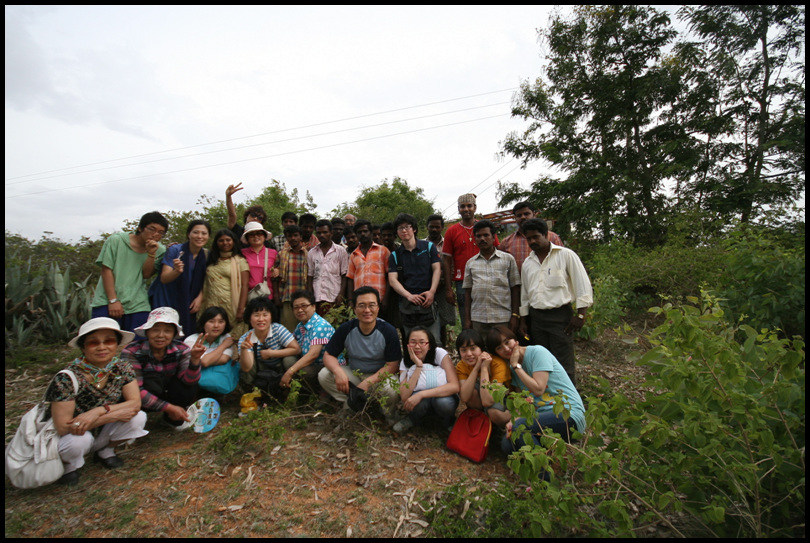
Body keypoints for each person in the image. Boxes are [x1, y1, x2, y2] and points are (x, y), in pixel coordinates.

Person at [46, 317, 148, 486]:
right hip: (71, 436)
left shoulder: (122, 368)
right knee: (79, 441)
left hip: (98, 427)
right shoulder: (67, 378)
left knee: (138, 417)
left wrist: (99, 412)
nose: (102, 347)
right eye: (94, 343)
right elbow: (64, 427)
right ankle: (69, 465)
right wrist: (110, 416)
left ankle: (105, 450)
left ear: (117, 344)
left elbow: (134, 403)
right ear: (83, 347)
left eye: (108, 341)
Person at [486, 326, 586, 454]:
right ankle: (546, 454)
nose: (506, 349)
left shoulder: (537, 352)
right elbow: (522, 402)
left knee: (519, 429)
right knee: (507, 445)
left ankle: (544, 473)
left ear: (515, 340)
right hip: (541, 418)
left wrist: (517, 366)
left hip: (567, 413)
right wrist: (514, 421)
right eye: (499, 348)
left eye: (507, 342)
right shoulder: (513, 369)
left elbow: (538, 389)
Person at [518, 218, 592, 385]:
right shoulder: (528, 263)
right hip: (537, 319)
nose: (532, 241)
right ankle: (549, 398)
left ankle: (569, 402)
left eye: (536, 237)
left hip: (560, 317)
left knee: (563, 360)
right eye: (528, 239)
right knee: (542, 360)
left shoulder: (566, 255)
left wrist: (581, 315)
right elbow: (525, 294)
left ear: (546, 235)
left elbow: (582, 285)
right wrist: (523, 320)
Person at [318, 286, 402, 423]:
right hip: (355, 374)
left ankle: (388, 413)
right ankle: (351, 403)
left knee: (392, 388)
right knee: (324, 374)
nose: (367, 310)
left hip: (378, 378)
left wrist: (368, 382)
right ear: (355, 309)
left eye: (371, 305)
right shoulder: (347, 328)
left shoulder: (388, 331)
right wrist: (338, 371)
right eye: (362, 306)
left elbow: (392, 365)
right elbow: (328, 355)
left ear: (378, 308)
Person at [121, 307, 206, 428]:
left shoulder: (182, 350)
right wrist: (168, 407)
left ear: (173, 334)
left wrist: (195, 360)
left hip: (169, 391)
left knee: (188, 387)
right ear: (147, 332)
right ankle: (137, 420)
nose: (161, 335)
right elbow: (135, 390)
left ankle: (172, 418)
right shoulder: (132, 352)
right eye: (155, 330)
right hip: (145, 394)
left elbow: (190, 381)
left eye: (167, 331)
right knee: (149, 383)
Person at [90, 211, 169, 332]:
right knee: (104, 339)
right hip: (107, 300)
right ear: (140, 228)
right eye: (151, 229)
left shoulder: (159, 250)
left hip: (137, 304)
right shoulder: (116, 240)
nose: (155, 235)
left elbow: (146, 275)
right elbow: (106, 270)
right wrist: (113, 300)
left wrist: (151, 254)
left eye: (160, 233)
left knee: (136, 345)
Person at [148, 219, 211, 337]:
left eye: (204, 233)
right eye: (196, 232)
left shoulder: (206, 255)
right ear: (189, 234)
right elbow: (164, 278)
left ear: (208, 236)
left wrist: (200, 298)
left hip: (190, 299)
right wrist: (177, 271)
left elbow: (206, 280)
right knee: (164, 330)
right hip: (167, 297)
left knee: (186, 333)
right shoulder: (176, 250)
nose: (200, 236)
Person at [442, 194, 498, 323]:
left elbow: (497, 251)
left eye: (469, 206)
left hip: (487, 277)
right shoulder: (451, 231)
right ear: (458, 209)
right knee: (466, 318)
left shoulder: (486, 228)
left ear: (475, 208)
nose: (466, 209)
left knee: (489, 315)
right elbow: (446, 260)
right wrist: (448, 289)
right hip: (462, 282)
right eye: (462, 206)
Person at [387, 213, 442, 344]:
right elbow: (393, 280)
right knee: (412, 344)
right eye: (400, 228)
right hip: (407, 304)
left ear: (414, 229)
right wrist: (408, 296)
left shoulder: (428, 247)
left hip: (428, 301)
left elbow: (437, 269)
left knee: (434, 341)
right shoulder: (395, 255)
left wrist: (432, 292)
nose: (404, 230)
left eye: (407, 227)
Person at [394, 326, 460, 434]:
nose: (417, 346)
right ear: (407, 344)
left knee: (444, 404)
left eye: (422, 342)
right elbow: (404, 395)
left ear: (429, 345)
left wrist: (422, 394)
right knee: (417, 403)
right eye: (413, 342)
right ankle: (414, 420)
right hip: (422, 400)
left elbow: (454, 386)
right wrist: (418, 366)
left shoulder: (439, 353)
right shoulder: (405, 361)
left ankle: (447, 422)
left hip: (442, 396)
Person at [462, 220, 521, 338]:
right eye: (478, 236)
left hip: (502, 317)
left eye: (486, 235)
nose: (482, 239)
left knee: (504, 351)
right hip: (478, 319)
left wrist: (515, 316)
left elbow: (515, 289)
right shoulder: (470, 263)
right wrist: (467, 319)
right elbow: (468, 293)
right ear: (475, 239)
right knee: (481, 353)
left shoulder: (508, 259)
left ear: (493, 237)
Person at [237, 296, 302, 401]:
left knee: (290, 360)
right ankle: (253, 393)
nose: (261, 319)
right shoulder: (245, 339)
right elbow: (247, 368)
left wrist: (272, 353)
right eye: (256, 315)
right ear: (249, 318)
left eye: (265, 315)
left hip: (279, 367)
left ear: (271, 317)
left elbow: (296, 349)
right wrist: (244, 350)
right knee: (244, 362)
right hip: (260, 371)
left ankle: (288, 391)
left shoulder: (278, 329)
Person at [454, 329, 511, 426]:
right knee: (470, 392)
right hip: (483, 399)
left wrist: (484, 367)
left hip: (502, 398)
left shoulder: (497, 363)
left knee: (495, 414)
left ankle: (509, 420)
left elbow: (487, 401)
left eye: (473, 348)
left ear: (481, 349)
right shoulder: (461, 366)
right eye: (463, 350)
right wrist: (476, 368)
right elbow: (464, 397)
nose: (468, 354)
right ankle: (483, 420)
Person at [200, 229, 250, 339]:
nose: (225, 243)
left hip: (232, 304)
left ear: (234, 241)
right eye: (221, 240)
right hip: (211, 302)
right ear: (216, 243)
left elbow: (245, 285)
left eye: (228, 240)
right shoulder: (210, 259)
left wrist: (241, 309)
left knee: (232, 338)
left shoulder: (240, 261)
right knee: (212, 334)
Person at [287, 289, 338, 394]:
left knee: (304, 371)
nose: (300, 310)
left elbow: (313, 355)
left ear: (314, 307)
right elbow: (291, 344)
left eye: (304, 306)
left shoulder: (320, 325)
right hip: (313, 365)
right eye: (296, 307)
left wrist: (289, 372)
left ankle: (321, 394)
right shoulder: (301, 325)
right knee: (288, 359)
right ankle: (304, 394)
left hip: (327, 367)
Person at [183, 306, 237, 397]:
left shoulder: (226, 337)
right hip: (192, 380)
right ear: (203, 323)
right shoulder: (192, 340)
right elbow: (204, 362)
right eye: (211, 321)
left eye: (221, 321)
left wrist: (207, 359)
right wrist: (223, 346)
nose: (216, 325)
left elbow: (224, 359)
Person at [499, 201, 564, 274]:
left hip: (549, 283)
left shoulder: (552, 237)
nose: (523, 217)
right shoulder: (506, 242)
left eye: (526, 214)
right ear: (515, 218)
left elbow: (562, 260)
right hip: (521, 284)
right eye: (519, 215)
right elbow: (501, 267)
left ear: (534, 214)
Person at [347, 219, 391, 313]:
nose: (362, 234)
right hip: (360, 301)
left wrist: (386, 299)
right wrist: (351, 300)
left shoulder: (383, 251)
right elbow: (350, 279)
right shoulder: (353, 255)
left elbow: (389, 276)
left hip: (379, 300)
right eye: (359, 232)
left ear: (371, 233)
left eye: (365, 231)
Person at [425, 214, 456, 346]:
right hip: (426, 288)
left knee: (443, 321)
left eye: (437, 227)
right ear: (427, 227)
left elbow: (452, 264)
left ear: (442, 227)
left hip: (444, 287)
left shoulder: (448, 244)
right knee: (428, 319)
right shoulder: (421, 244)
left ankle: (442, 350)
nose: (434, 229)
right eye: (431, 227)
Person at [307, 219, 349, 316]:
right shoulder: (312, 252)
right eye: (319, 233)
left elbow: (344, 275)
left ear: (331, 233)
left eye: (325, 232)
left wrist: (341, 295)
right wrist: (310, 297)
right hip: (317, 298)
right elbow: (310, 276)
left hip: (334, 298)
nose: (322, 235)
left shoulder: (340, 251)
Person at [274, 224, 309, 333]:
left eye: (295, 235)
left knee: (305, 328)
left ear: (301, 237)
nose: (293, 238)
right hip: (287, 297)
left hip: (304, 297)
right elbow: (275, 276)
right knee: (288, 330)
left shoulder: (308, 254)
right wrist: (276, 296)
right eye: (289, 236)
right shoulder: (282, 254)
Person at [224, 182, 272, 246]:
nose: (255, 218)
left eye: (259, 218)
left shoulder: (264, 240)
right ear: (247, 216)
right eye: (253, 215)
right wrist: (228, 196)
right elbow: (232, 215)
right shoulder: (237, 230)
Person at [241, 221, 279, 301]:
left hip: (268, 295)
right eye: (251, 234)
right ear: (247, 238)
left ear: (264, 236)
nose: (256, 236)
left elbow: (279, 268)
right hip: (249, 295)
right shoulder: (242, 253)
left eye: (259, 233)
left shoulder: (273, 253)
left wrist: (277, 270)